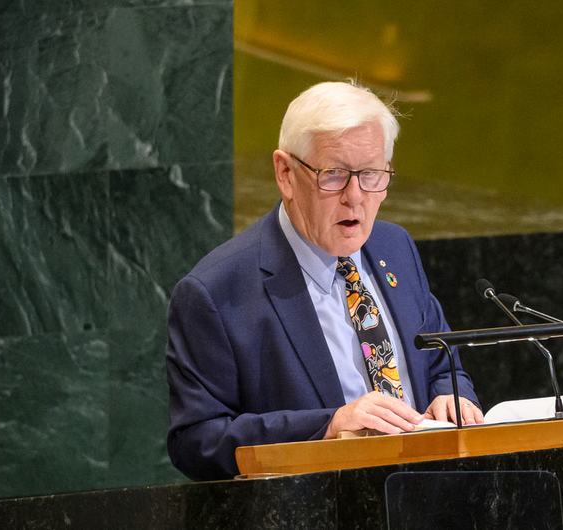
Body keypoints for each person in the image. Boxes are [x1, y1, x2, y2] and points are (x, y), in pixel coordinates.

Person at [165, 81, 482, 481]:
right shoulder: (216, 293)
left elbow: (440, 360)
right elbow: (197, 442)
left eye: (371, 174)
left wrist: (451, 396)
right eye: (333, 175)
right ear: (285, 173)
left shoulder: (395, 246)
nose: (355, 197)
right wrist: (329, 426)